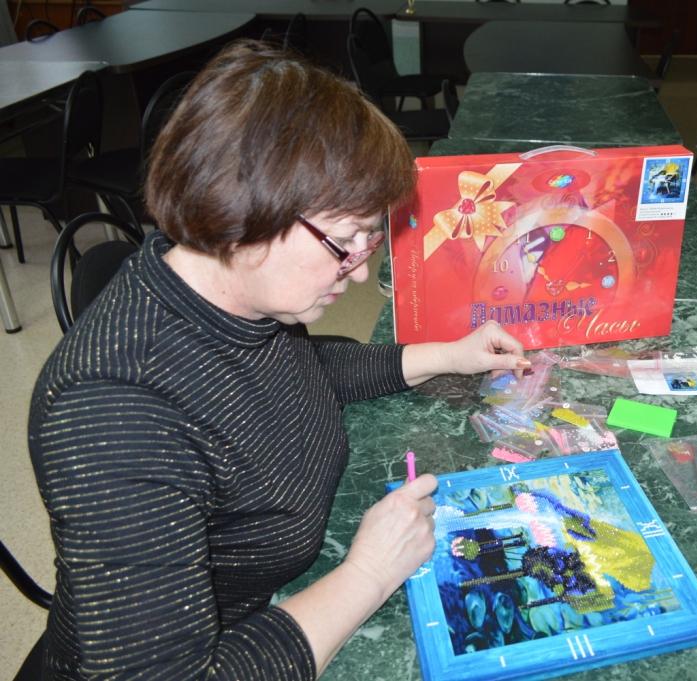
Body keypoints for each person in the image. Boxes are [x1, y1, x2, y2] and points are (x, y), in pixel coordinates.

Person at [27, 41, 529, 678]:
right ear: (239, 212)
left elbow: (299, 375)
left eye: (369, 239)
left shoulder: (234, 297)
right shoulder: (113, 414)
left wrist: (447, 355)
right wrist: (369, 573)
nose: (360, 270)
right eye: (344, 242)